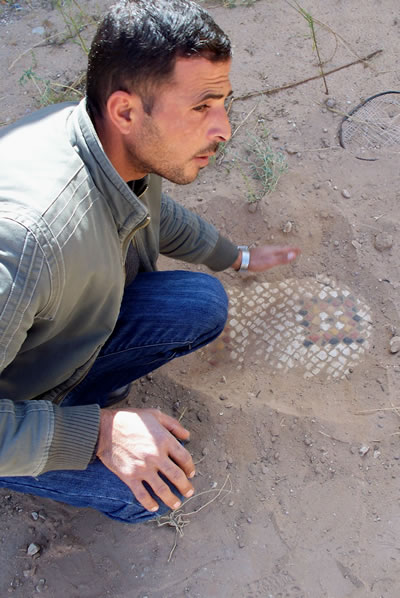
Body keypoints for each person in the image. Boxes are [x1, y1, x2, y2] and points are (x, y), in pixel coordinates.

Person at [0, 0, 299, 524]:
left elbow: (156, 215)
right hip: (12, 399)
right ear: (125, 111)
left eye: (224, 102)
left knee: (200, 301)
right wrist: (98, 432)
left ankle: (82, 400)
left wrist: (236, 256)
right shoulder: (28, 244)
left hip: (44, 342)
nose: (224, 128)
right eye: (202, 106)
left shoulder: (113, 143)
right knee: (150, 493)